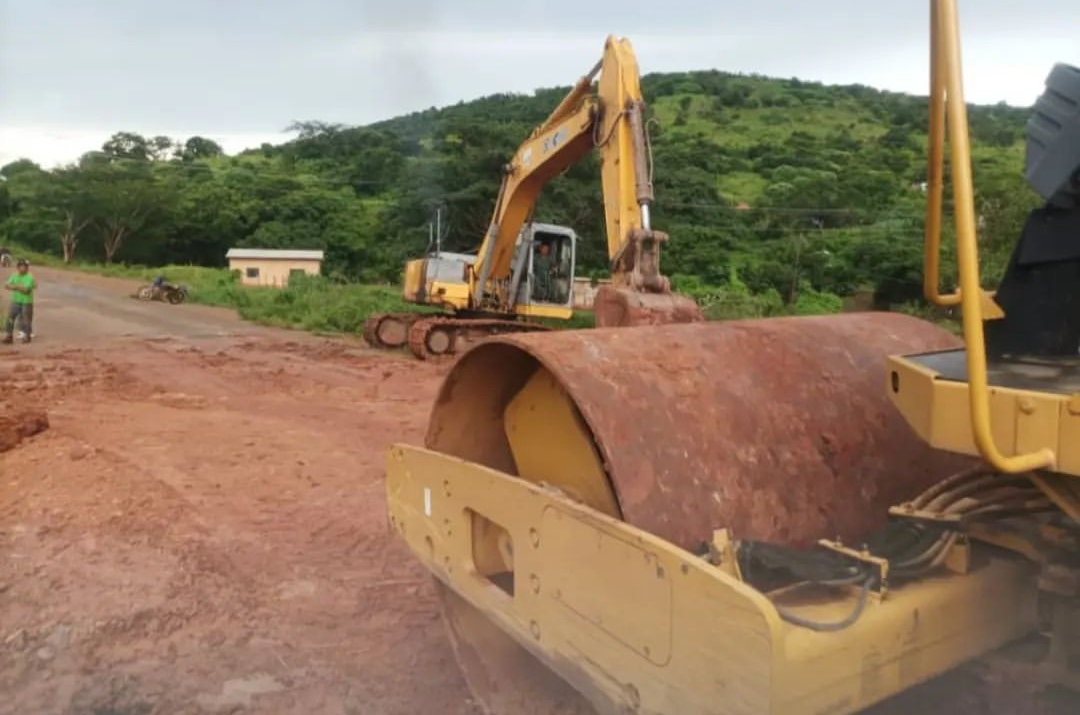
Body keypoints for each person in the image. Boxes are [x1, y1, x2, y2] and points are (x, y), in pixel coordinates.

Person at [3, 259, 35, 344]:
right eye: (22, 266)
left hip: (26, 302)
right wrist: (18, 287)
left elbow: (26, 290)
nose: (24, 268)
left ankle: (27, 336)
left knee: (26, 320)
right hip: (15, 300)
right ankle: (9, 336)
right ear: (17, 268)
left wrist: (14, 286)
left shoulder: (30, 277)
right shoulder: (14, 275)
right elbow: (6, 285)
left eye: (25, 267)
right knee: (10, 318)